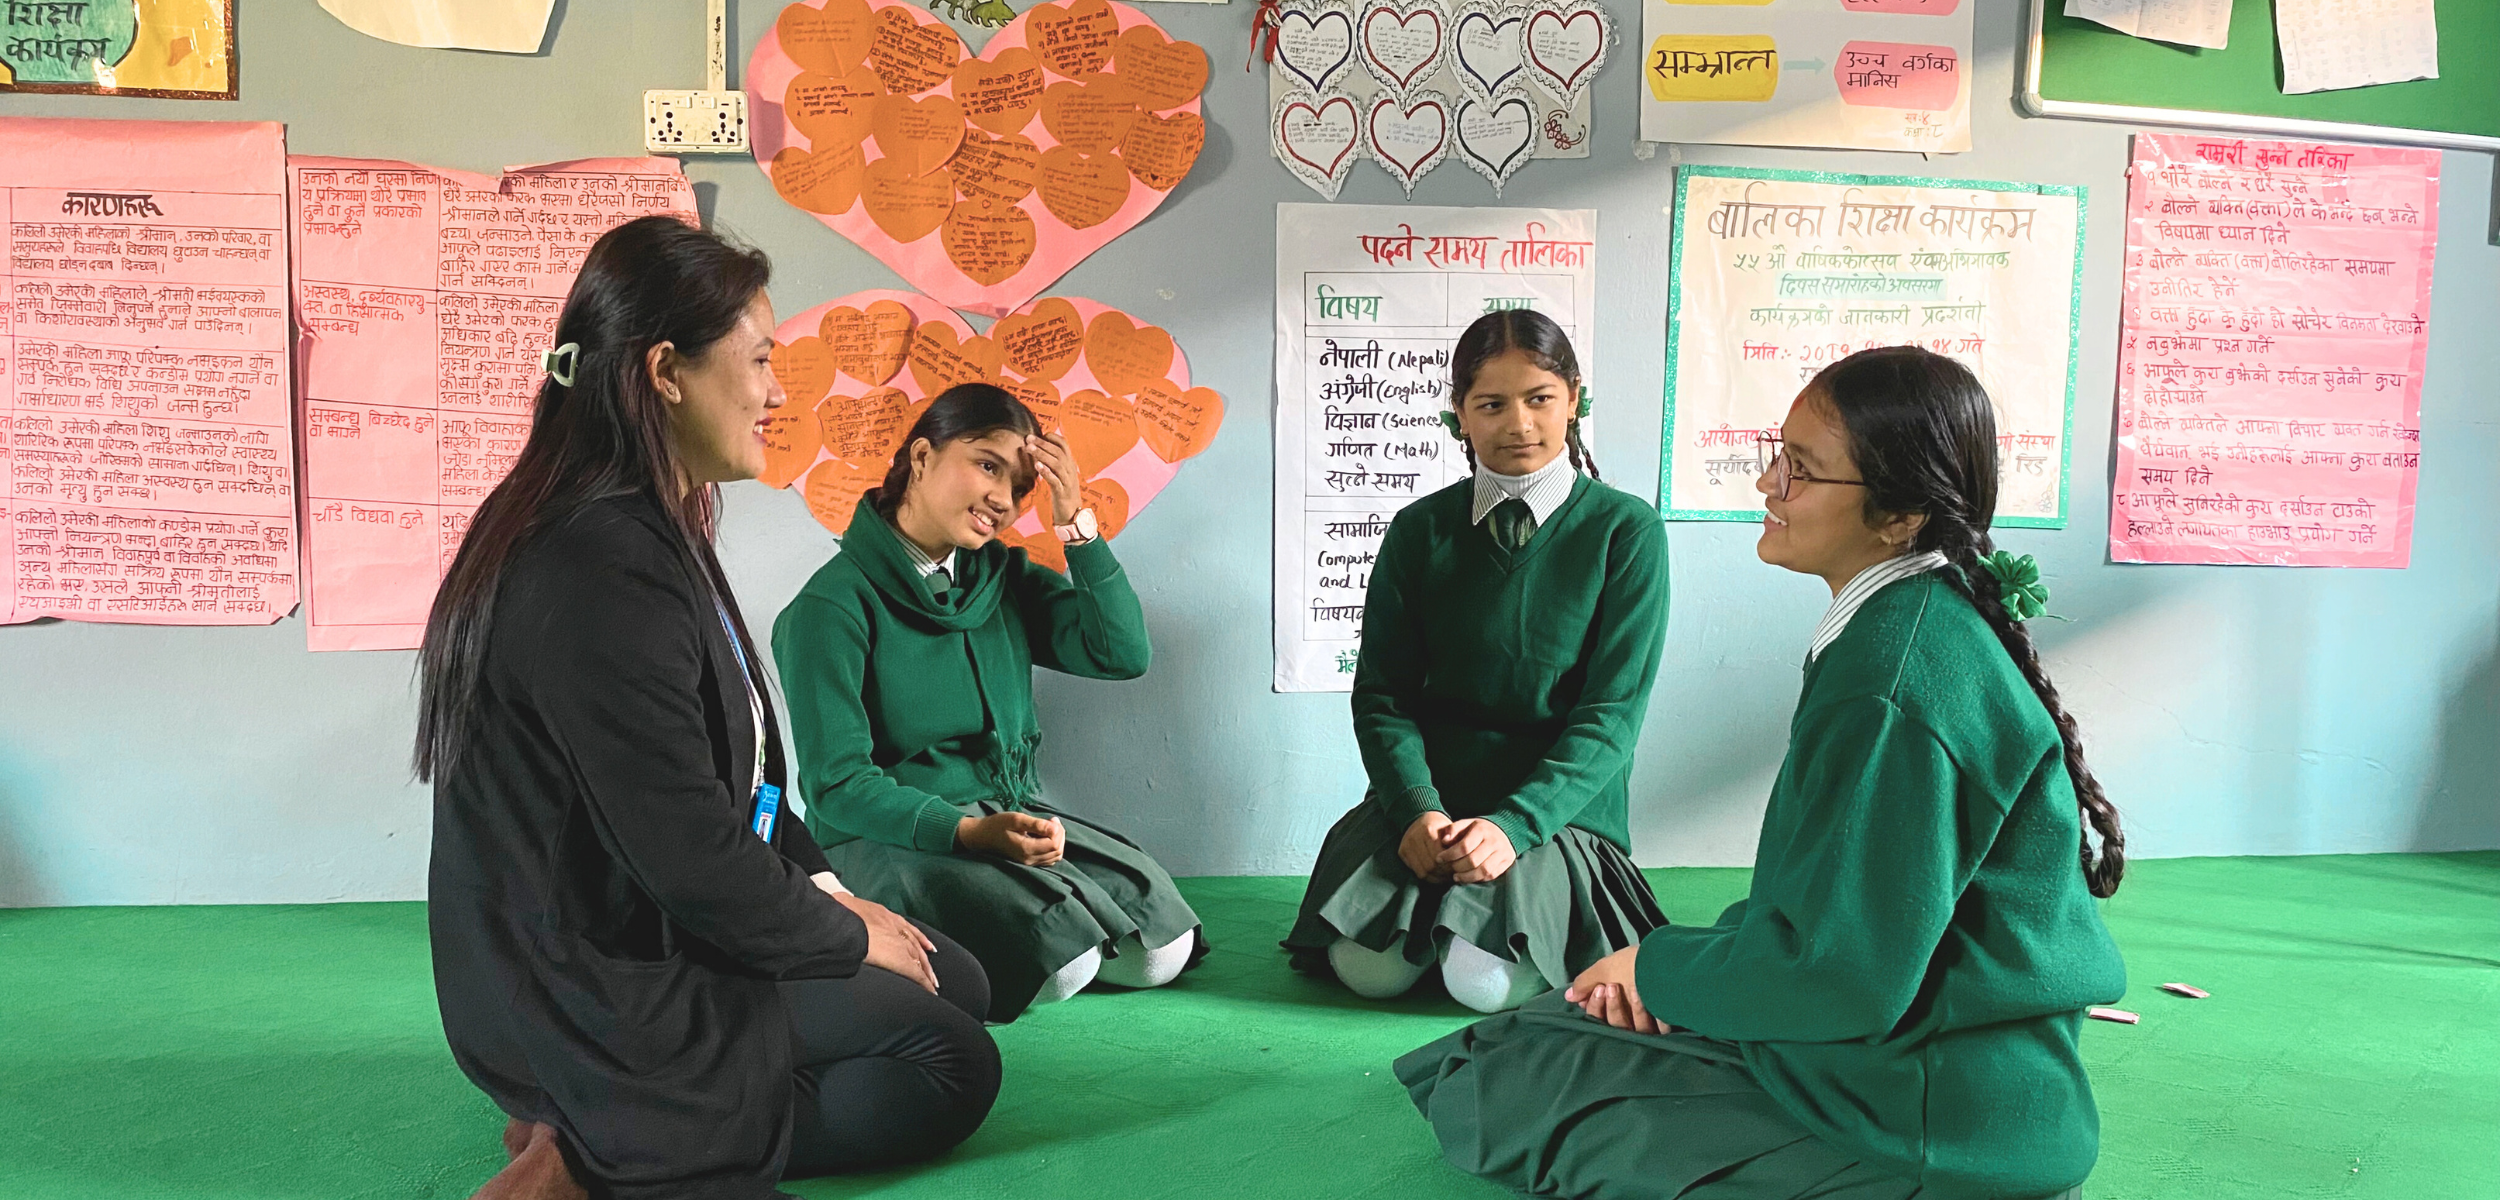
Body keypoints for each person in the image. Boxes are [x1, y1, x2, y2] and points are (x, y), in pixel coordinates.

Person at [1394, 346, 2127, 1200]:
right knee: (1538, 1029)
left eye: (1803, 470)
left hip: (1924, 1117)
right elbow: (1829, 909)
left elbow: (1843, 979)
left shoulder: (1892, 679)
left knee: (1502, 1076)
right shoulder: (1905, 626)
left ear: (1898, 516)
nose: (1767, 485)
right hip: (1921, 1068)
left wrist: (1658, 971)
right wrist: (1668, 961)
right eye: (1776, 455)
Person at [418, 216, 1001, 1200]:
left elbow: (744, 787)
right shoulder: (597, 564)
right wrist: (848, 937)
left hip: (649, 920)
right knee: (949, 1064)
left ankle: (609, 1114)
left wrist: (831, 899)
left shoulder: (643, 524)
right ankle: (599, 1140)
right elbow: (689, 855)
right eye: (761, 359)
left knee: (960, 980)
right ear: (665, 372)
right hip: (595, 979)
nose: (779, 390)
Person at [772, 384, 1202, 1022]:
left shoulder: (1002, 578)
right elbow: (836, 787)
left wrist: (1074, 521)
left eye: (1021, 486)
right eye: (987, 465)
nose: (1003, 500)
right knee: (1064, 965)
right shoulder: (828, 609)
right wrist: (967, 833)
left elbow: (1121, 654)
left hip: (1006, 814)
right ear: (921, 458)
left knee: (1163, 948)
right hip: (889, 835)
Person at [1283, 309, 1672, 1015]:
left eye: (1540, 398)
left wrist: (1513, 826)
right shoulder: (1418, 530)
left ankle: (1466, 928)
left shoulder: (1626, 531)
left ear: (1575, 398)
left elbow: (1611, 717)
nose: (1518, 423)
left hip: (1553, 814)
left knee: (1484, 986)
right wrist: (1416, 812)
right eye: (1491, 404)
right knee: (1367, 973)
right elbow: (1383, 698)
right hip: (1429, 808)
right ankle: (1439, 917)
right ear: (1458, 413)